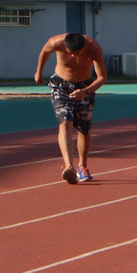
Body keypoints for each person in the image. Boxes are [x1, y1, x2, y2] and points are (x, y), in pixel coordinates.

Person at [34, 31, 106, 184]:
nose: (73, 55)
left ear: (83, 47)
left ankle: (83, 166)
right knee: (65, 122)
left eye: (77, 53)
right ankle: (69, 167)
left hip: (85, 86)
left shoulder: (93, 48)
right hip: (60, 85)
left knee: (84, 129)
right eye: (70, 52)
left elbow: (102, 77)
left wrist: (85, 91)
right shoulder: (55, 42)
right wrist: (39, 71)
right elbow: (45, 51)